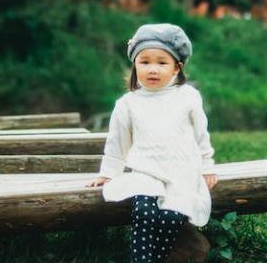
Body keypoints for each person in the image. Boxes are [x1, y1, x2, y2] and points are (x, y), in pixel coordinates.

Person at [86, 23, 218, 263]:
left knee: (171, 215)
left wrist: (207, 166)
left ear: (177, 67)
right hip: (146, 172)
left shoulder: (187, 97)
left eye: (161, 62)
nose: (152, 69)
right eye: (144, 62)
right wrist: (108, 173)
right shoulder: (128, 103)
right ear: (135, 65)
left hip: (182, 172)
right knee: (144, 213)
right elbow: (118, 143)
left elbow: (201, 134)